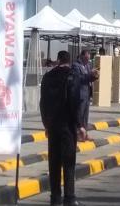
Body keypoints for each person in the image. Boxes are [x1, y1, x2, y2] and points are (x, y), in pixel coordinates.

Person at [39, 51, 86, 206]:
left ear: (58, 60)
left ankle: (55, 198)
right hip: (67, 126)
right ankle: (69, 198)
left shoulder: (47, 77)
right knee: (69, 162)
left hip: (52, 125)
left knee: (54, 162)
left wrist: (46, 124)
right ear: (69, 61)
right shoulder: (72, 76)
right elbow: (75, 101)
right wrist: (80, 125)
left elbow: (43, 103)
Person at [73, 50, 98, 131]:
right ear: (82, 56)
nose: (88, 60)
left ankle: (84, 129)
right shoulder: (75, 66)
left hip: (87, 93)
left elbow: (88, 78)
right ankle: (78, 130)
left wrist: (94, 76)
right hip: (80, 93)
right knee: (80, 113)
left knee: (85, 114)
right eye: (86, 58)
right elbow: (79, 78)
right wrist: (90, 74)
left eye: (88, 58)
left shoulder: (87, 65)